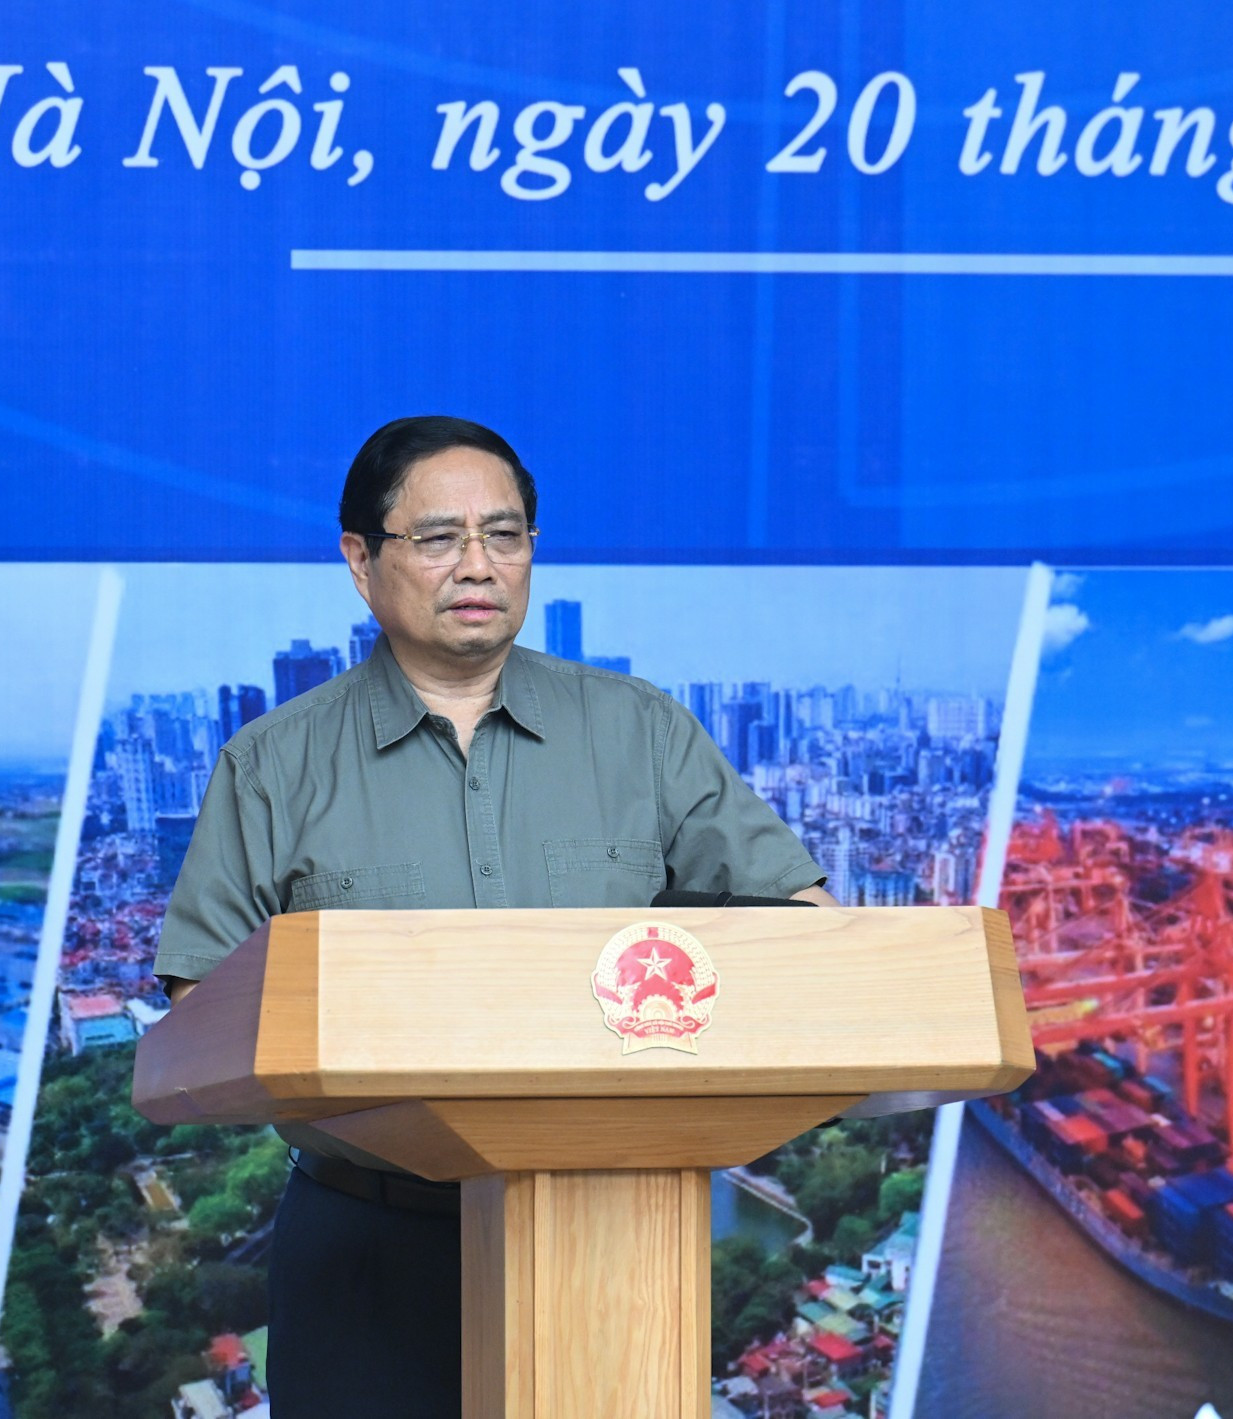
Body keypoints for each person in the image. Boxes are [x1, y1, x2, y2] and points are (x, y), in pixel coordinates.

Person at [152, 414, 837, 1416]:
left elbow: (804, 924)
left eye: (505, 535)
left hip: (614, 1235)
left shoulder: (642, 732)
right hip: (368, 1242)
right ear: (360, 560)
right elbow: (199, 1004)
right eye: (438, 538)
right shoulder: (273, 764)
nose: (478, 564)